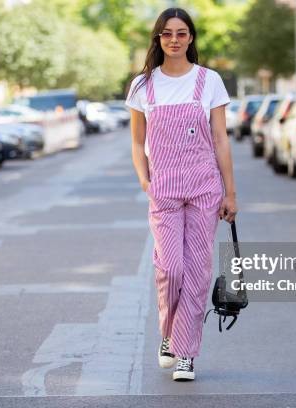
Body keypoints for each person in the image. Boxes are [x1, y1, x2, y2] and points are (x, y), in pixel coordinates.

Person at [125, 7, 237, 382]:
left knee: (198, 272)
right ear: (158, 38)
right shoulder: (143, 86)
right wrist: (145, 181)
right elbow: (137, 141)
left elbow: (221, 140)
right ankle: (169, 333)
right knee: (170, 268)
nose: (174, 39)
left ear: (191, 38)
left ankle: (186, 353)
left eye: (182, 33)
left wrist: (230, 193)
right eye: (167, 33)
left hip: (205, 188)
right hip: (165, 191)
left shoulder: (209, 81)